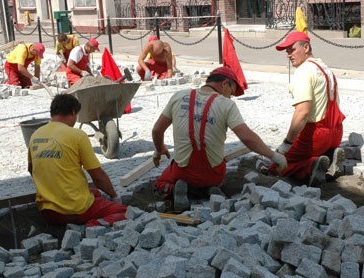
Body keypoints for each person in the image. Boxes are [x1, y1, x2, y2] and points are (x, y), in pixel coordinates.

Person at [151, 66, 287, 212]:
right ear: (224, 84)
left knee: (161, 182)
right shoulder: (226, 105)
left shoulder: (178, 96)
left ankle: (178, 189)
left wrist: (160, 150)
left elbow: (157, 130)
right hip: (213, 174)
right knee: (215, 174)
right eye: (232, 91)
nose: (230, 96)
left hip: (183, 172)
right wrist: (275, 156)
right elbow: (247, 137)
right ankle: (209, 190)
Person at [28, 94, 127, 227]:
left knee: (95, 193)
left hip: (47, 211)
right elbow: (98, 177)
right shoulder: (77, 136)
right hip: (74, 210)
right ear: (73, 112)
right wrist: (114, 196)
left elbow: (31, 170)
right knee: (123, 212)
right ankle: (89, 227)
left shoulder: (35, 135)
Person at [269, 31, 345, 186]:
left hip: (315, 134)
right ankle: (330, 155)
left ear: (306, 47)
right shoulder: (325, 69)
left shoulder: (304, 71)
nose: (289, 55)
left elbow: (303, 112)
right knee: (311, 152)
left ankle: (311, 166)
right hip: (336, 132)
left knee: (276, 166)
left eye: (292, 49)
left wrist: (287, 142)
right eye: (287, 51)